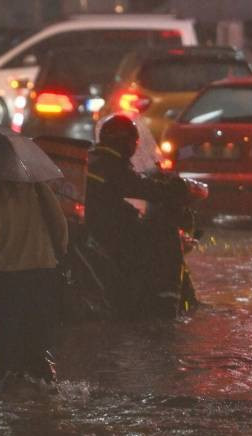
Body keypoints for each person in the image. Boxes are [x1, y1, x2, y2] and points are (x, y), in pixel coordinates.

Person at [0, 134, 69, 386]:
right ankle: (43, 412)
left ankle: (14, 416)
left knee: (10, 364)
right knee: (38, 356)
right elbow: (61, 229)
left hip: (10, 286)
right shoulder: (37, 187)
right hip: (45, 280)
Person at [84, 114, 195, 316]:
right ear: (127, 143)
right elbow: (144, 188)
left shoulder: (93, 158)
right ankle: (165, 302)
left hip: (96, 227)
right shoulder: (112, 164)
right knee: (164, 233)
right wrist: (174, 188)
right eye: (133, 142)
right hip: (111, 232)